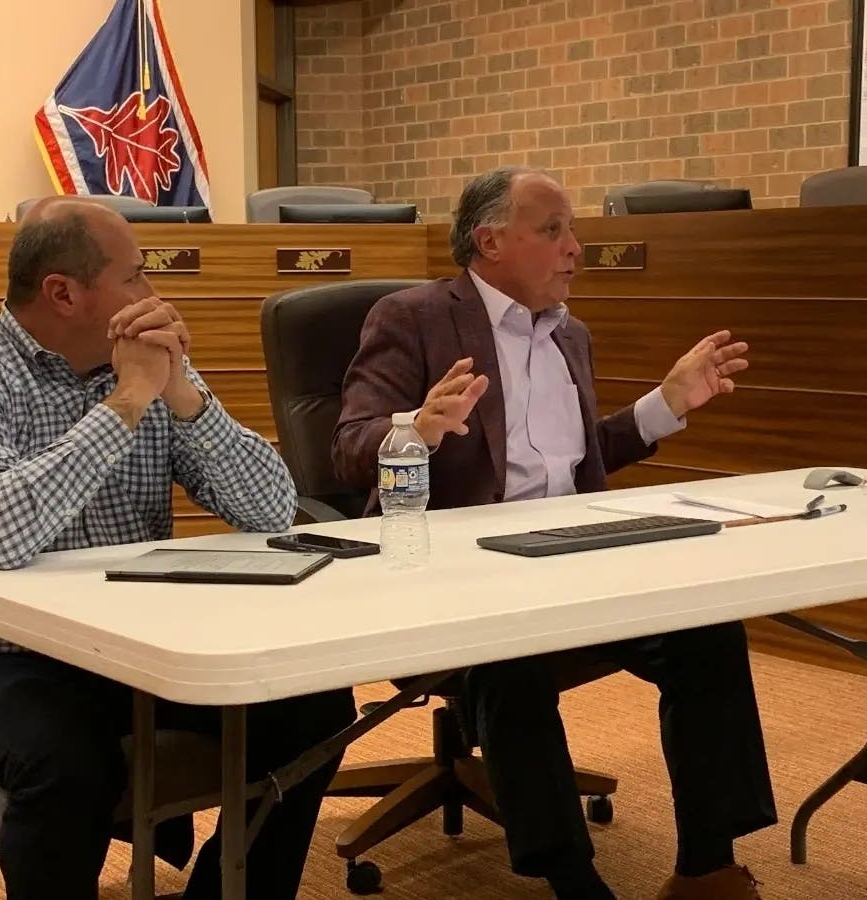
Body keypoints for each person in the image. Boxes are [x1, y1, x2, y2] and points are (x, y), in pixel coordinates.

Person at [0, 197, 355, 900]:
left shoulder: (145, 366)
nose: (153, 296)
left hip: (124, 646)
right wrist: (126, 405)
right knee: (66, 760)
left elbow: (268, 507)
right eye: (135, 276)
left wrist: (181, 397)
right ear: (64, 293)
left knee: (313, 707)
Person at [333, 167, 776, 900]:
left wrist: (667, 404)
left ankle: (706, 866)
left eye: (572, 231)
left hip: (572, 556)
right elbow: (347, 448)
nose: (575, 247)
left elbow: (578, 460)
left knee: (707, 631)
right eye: (554, 231)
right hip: (457, 571)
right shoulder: (413, 317)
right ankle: (573, 880)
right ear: (490, 241)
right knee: (509, 666)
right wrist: (417, 428)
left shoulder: (571, 333)